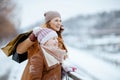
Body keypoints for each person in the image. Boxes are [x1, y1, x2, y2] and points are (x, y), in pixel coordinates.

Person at [15, 11, 68, 80]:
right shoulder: (39, 34)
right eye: (56, 20)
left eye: (60, 20)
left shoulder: (57, 37)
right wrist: (32, 37)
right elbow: (19, 50)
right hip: (33, 74)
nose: (59, 23)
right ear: (49, 22)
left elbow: (62, 57)